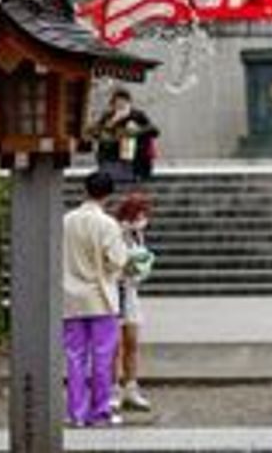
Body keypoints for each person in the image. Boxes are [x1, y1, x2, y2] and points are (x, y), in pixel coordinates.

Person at [64, 170, 129, 428]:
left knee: (74, 357)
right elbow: (117, 260)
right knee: (102, 358)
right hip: (101, 297)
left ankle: (76, 413)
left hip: (70, 298)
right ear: (109, 194)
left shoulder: (65, 221)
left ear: (85, 190)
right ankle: (100, 411)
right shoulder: (107, 224)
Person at [113, 193, 158, 412]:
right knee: (114, 345)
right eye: (141, 213)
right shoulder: (115, 231)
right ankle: (113, 390)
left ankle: (131, 388)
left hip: (130, 292)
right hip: (114, 291)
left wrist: (142, 266)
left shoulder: (138, 234)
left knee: (132, 341)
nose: (144, 218)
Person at [91, 88, 161, 186]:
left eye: (124, 101)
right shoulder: (108, 116)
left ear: (129, 102)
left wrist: (136, 131)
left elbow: (155, 131)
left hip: (135, 161)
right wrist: (113, 121)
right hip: (112, 161)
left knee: (133, 185)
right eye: (117, 102)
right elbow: (95, 133)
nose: (120, 104)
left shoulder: (137, 115)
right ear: (113, 103)